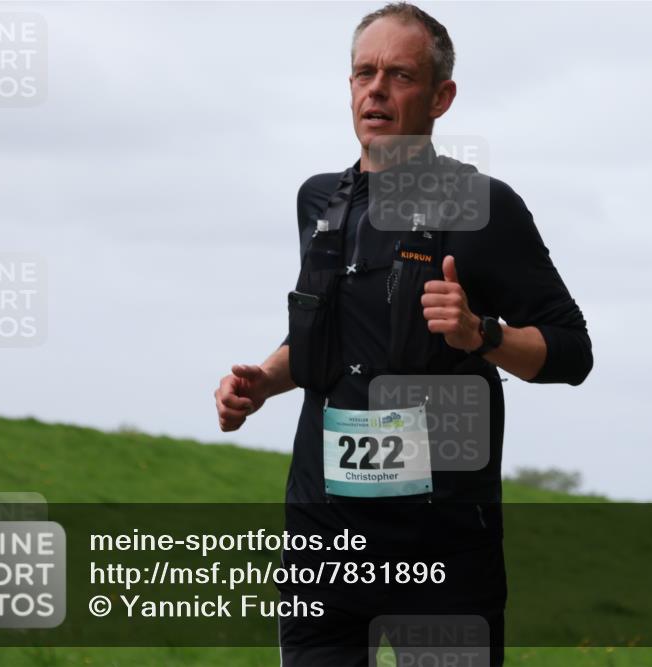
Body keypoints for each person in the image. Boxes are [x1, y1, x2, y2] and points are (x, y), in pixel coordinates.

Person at [215, 3, 592, 665]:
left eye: (399, 74)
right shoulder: (319, 201)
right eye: (364, 73)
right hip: (323, 540)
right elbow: (324, 341)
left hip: (440, 544)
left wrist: (482, 334)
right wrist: (262, 382)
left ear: (441, 97)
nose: (376, 89)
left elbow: (572, 351)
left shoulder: (485, 207)